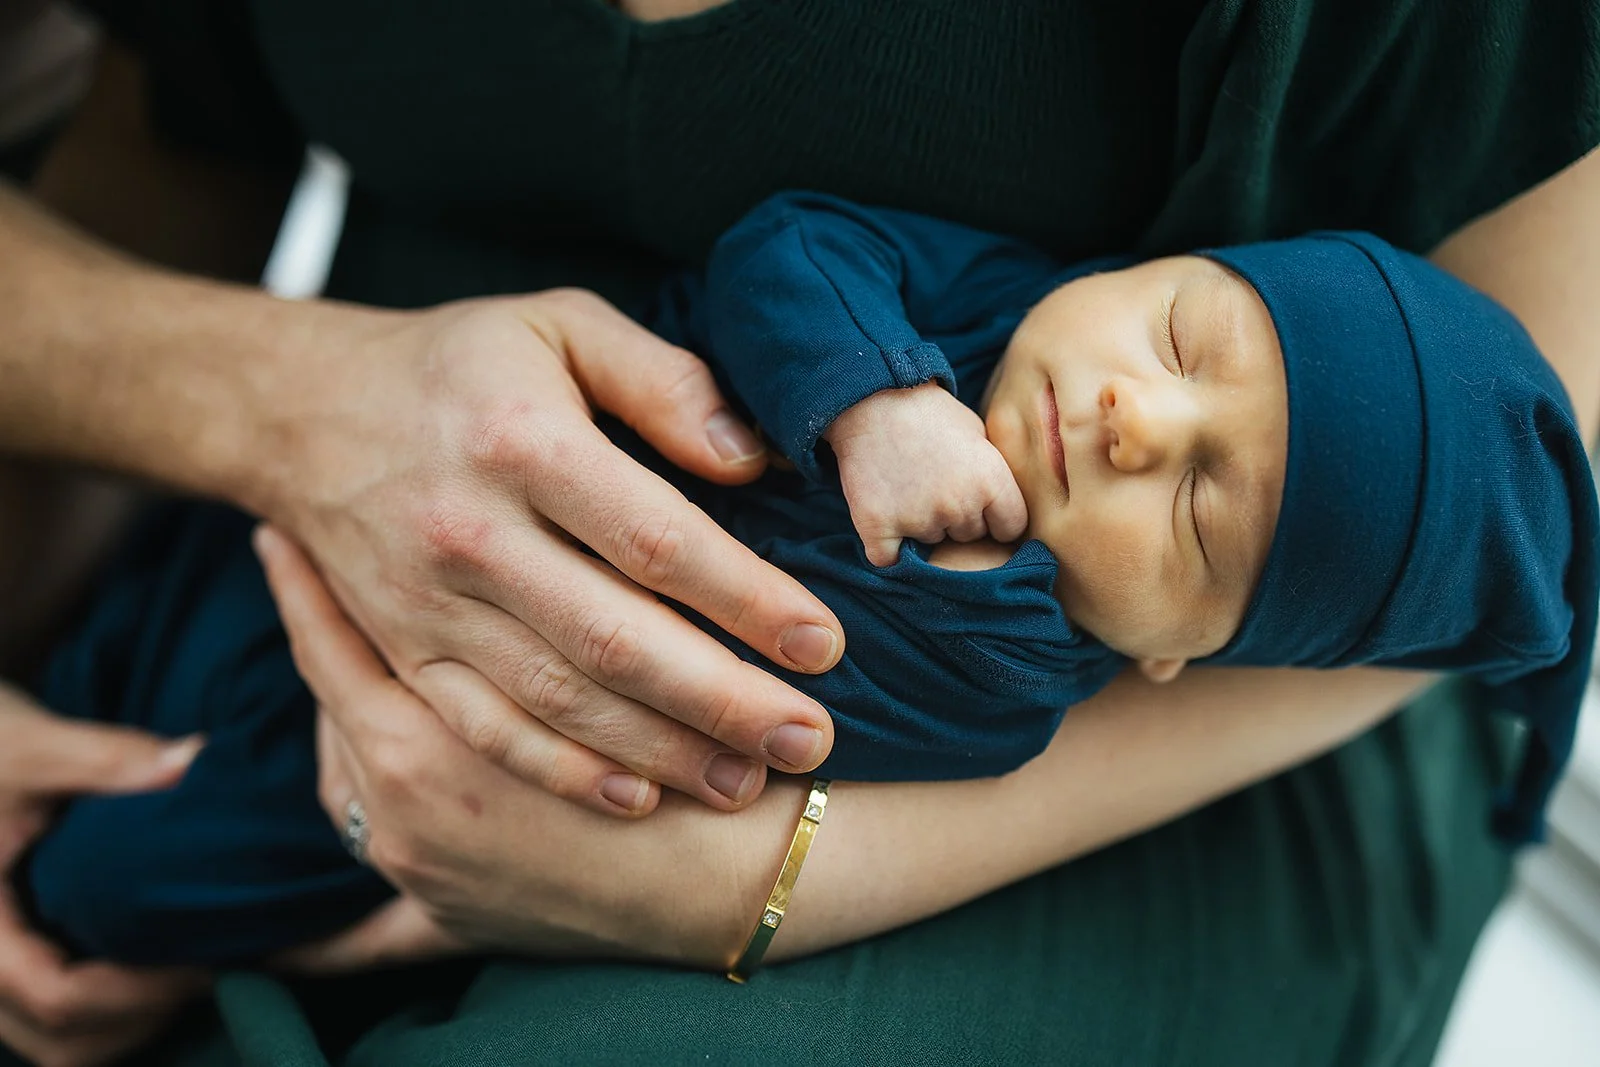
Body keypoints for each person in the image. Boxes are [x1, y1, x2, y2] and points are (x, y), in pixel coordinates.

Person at [0, 0, 1596, 1064]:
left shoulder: (1032, 674)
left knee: (210, 859)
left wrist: (747, 880)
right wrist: (874, 397)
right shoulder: (978, 313)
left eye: (1191, 506)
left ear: (1171, 645)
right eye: (1181, 345)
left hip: (1243, 755)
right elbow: (796, 251)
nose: (1134, 423)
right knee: (146, 658)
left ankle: (90, 902)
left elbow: (814, 738)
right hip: (381, 452)